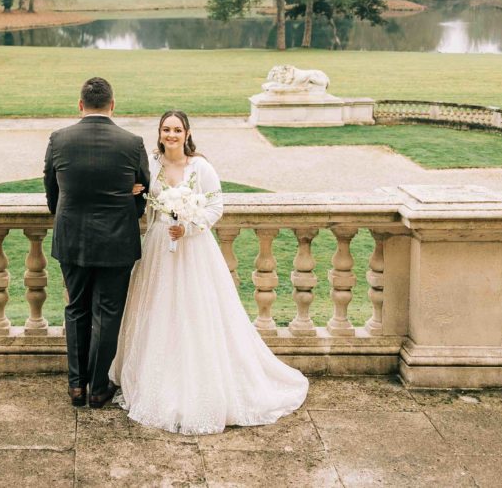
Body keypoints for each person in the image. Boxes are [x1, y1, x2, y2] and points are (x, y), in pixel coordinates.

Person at [110, 110, 308, 435]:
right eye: (165, 129)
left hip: (193, 249)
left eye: (176, 129)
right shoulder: (151, 163)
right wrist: (135, 191)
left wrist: (187, 226)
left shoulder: (201, 167)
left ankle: (203, 385)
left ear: (187, 133)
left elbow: (216, 207)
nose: (171, 135)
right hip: (159, 247)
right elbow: (143, 196)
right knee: (158, 311)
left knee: (195, 312)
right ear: (159, 133)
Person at [44, 77, 150, 408]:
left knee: (76, 308)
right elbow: (142, 191)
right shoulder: (132, 142)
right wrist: (128, 208)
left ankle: (76, 386)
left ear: (80, 105)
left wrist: (64, 216)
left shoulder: (59, 139)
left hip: (72, 237)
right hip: (116, 240)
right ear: (112, 105)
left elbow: (51, 191)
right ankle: (99, 386)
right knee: (108, 312)